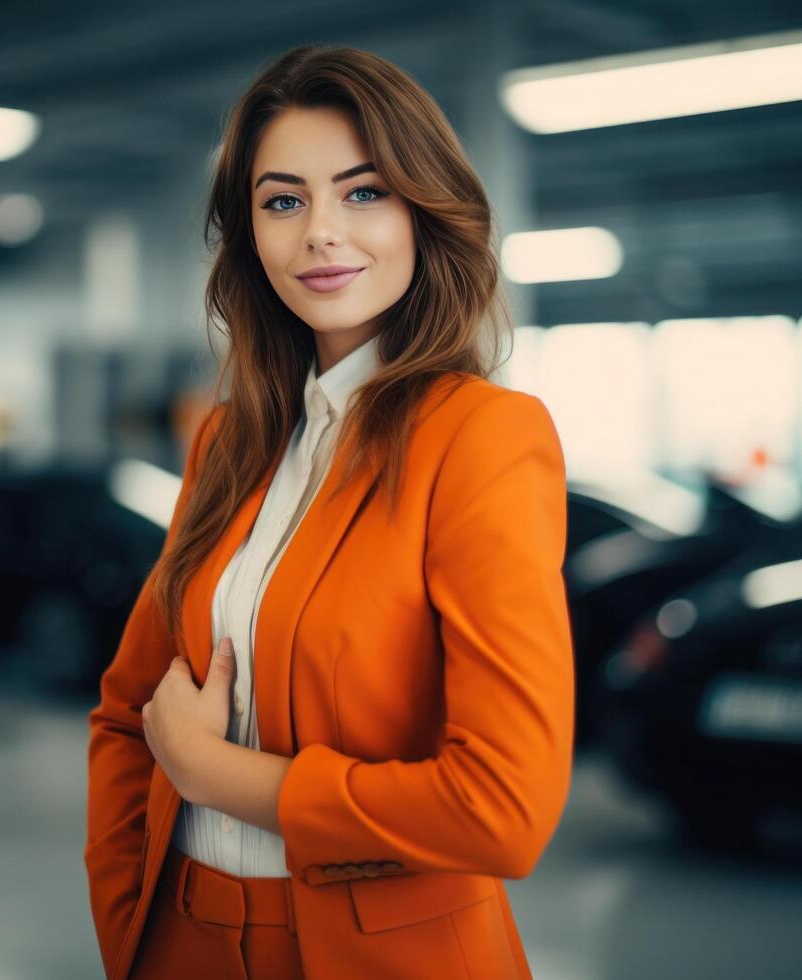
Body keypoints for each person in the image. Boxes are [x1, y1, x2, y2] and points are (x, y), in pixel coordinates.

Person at [85, 43, 573, 980]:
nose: (319, 232)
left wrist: (215, 774)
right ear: (250, 234)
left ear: (426, 211)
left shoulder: (481, 438)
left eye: (363, 192)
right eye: (283, 200)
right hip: (183, 938)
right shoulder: (226, 440)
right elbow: (125, 712)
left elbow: (504, 809)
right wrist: (131, 930)